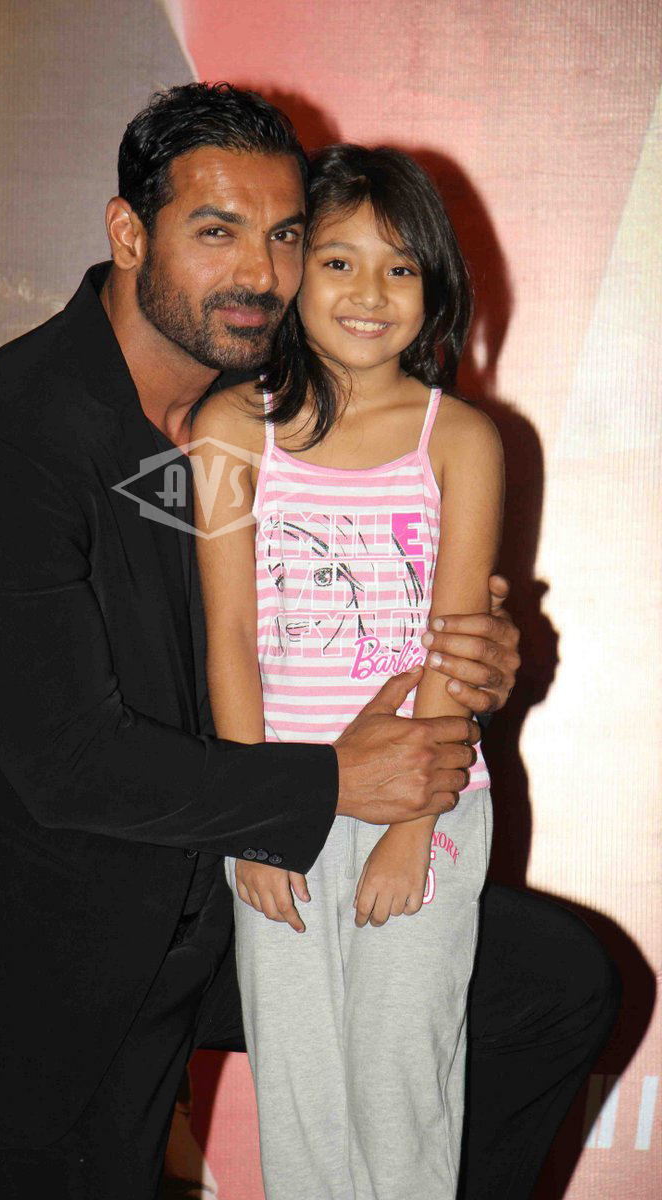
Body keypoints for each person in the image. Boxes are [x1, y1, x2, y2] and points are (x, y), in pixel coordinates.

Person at [0, 84, 615, 1200]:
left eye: (284, 236)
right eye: (217, 232)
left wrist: (484, 655)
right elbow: (67, 765)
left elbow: (361, 602)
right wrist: (329, 784)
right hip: (62, 951)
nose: (260, 273)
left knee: (553, 986)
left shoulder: (271, 401)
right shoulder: (3, 448)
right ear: (130, 234)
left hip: (221, 890)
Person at [193, 143, 499, 1199]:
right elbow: (228, 634)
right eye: (337, 262)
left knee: (397, 1084)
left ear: (433, 285)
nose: (369, 293)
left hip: (425, 803)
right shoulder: (227, 430)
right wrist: (253, 820)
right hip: (282, 801)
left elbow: (457, 640)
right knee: (300, 1091)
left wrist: (413, 825)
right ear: (292, 273)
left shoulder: (461, 439)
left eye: (399, 267)